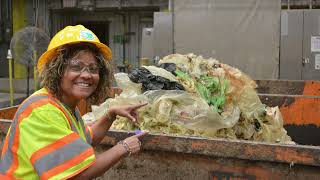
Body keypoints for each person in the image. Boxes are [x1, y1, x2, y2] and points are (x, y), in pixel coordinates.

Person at [0, 25, 148, 179]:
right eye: (76, 67)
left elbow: (87, 139)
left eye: (93, 68)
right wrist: (123, 147)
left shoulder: (66, 104)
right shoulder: (43, 110)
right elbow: (77, 176)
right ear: (56, 70)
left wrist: (111, 114)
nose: (86, 75)